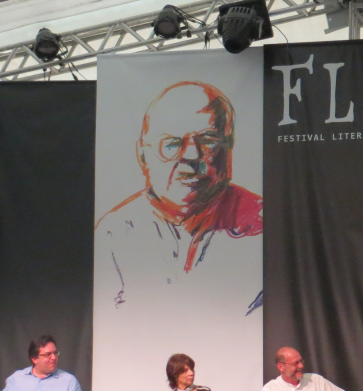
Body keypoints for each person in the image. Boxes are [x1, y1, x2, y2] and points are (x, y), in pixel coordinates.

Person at [96, 81, 263, 305]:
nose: (192, 155)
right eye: (172, 144)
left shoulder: (263, 224)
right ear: (143, 156)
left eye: (207, 141)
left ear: (229, 148)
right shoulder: (114, 234)